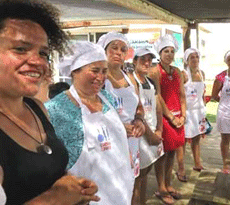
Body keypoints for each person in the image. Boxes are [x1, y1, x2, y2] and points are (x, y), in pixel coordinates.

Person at [0, 1, 99, 204]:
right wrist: (56, 197)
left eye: (43, 53)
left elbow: (44, 173)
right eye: (20, 49)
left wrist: (71, 186)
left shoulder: (36, 108)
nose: (38, 61)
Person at [45, 41, 134, 204]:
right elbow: (51, 163)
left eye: (104, 71)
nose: (100, 78)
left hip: (121, 189)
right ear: (74, 72)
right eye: (94, 71)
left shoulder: (107, 98)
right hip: (88, 197)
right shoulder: (56, 109)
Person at [97, 32, 147, 180]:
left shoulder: (129, 77)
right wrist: (117, 126)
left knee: (131, 183)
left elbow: (139, 107)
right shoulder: (99, 78)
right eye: (114, 48)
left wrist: (139, 121)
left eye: (123, 49)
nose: (119, 52)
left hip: (131, 140)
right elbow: (91, 112)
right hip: (109, 142)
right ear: (104, 51)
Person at [148, 34, 185, 203]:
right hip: (164, 117)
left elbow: (182, 95)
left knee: (172, 153)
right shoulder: (156, 71)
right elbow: (158, 97)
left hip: (178, 118)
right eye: (166, 51)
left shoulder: (177, 71)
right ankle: (161, 187)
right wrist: (170, 117)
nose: (169, 54)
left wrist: (183, 115)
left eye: (172, 51)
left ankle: (169, 184)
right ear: (160, 53)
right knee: (162, 154)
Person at [131, 47, 165, 205]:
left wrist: (159, 130)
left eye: (149, 59)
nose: (146, 62)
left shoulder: (150, 82)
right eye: (142, 59)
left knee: (145, 175)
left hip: (153, 134)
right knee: (137, 179)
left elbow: (158, 108)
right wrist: (150, 134)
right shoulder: (131, 82)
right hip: (141, 136)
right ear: (134, 61)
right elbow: (136, 113)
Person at [181, 48, 206, 172]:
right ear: (187, 61)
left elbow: (202, 94)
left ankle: (197, 163)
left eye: (197, 57)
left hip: (199, 111)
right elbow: (180, 94)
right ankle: (181, 166)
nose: (195, 60)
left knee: (197, 138)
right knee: (184, 140)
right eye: (192, 57)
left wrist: (204, 108)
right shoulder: (184, 74)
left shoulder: (202, 73)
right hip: (188, 111)